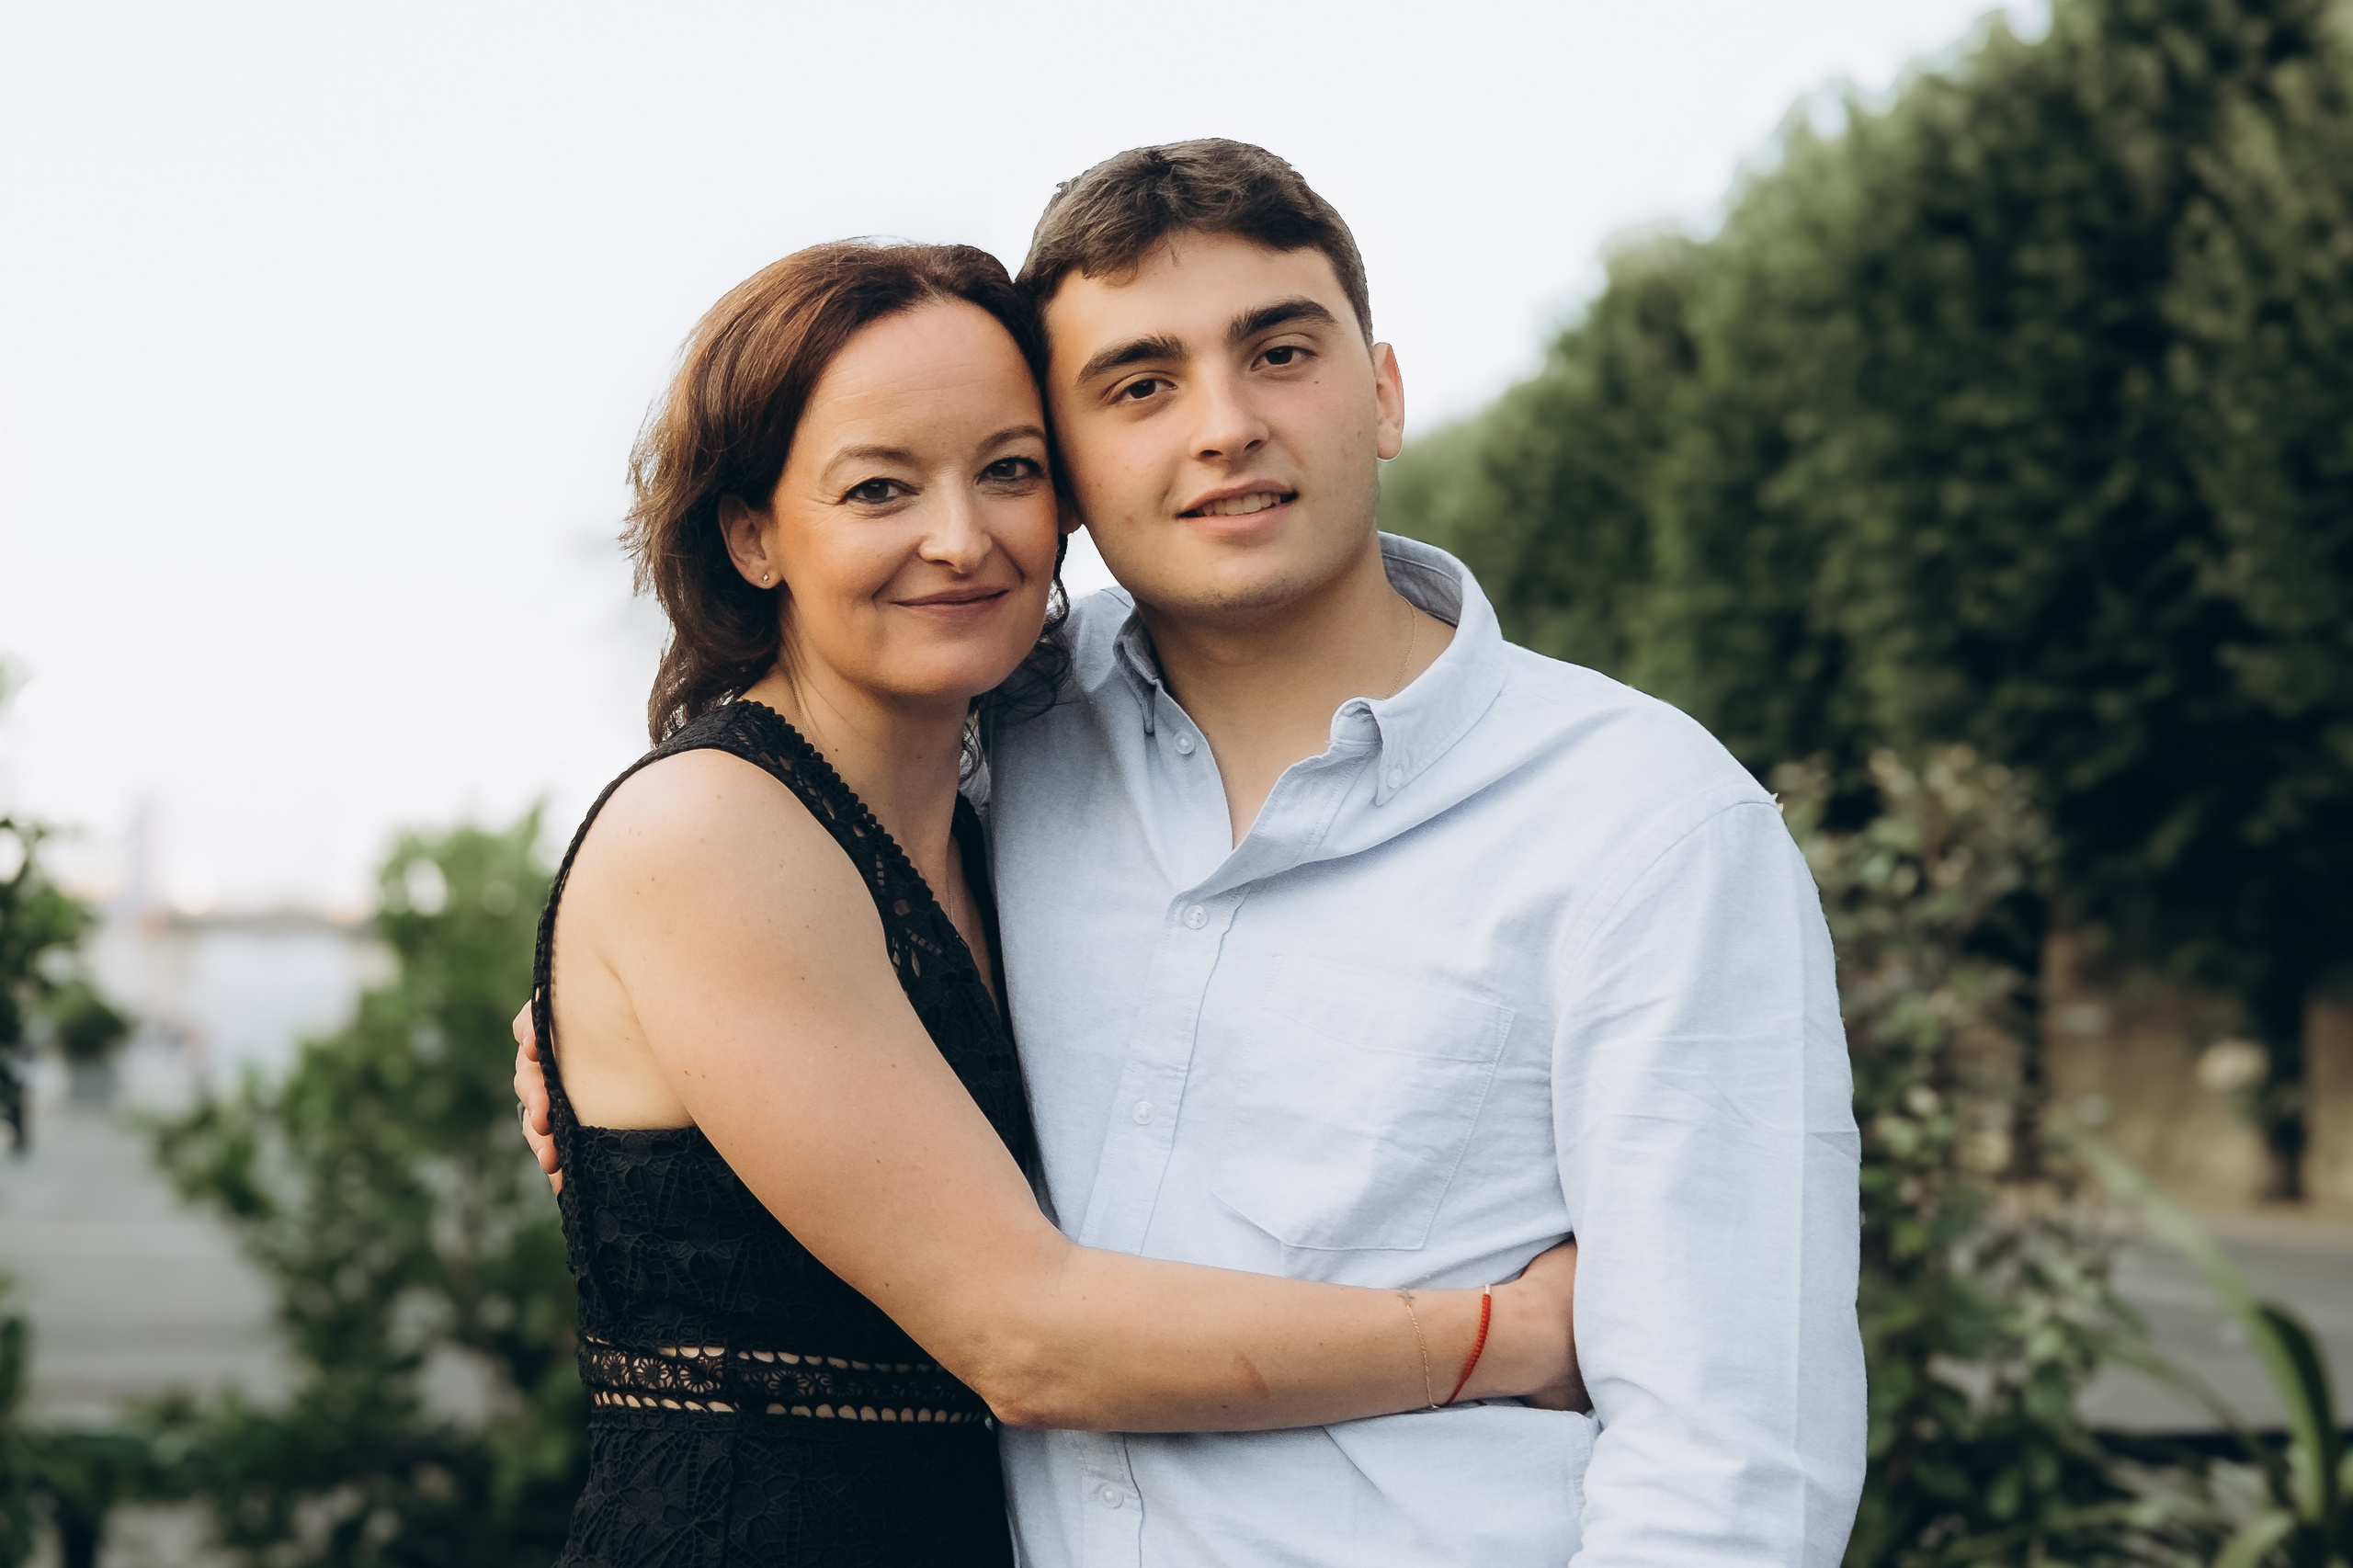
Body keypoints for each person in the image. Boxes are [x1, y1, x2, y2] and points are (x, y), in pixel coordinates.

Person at [525, 141, 1868, 1564]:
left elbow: (1735, 1471)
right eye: (1141, 385)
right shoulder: (1000, 737)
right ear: (1087, 460)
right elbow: (761, 914)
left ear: (1385, 391)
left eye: (1280, 351)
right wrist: (611, 1025)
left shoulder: (1645, 825)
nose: (1222, 425)